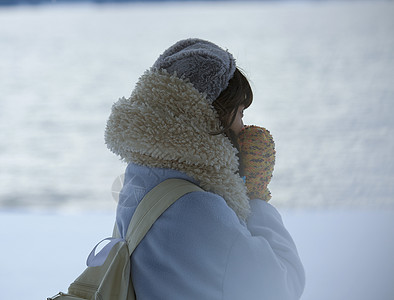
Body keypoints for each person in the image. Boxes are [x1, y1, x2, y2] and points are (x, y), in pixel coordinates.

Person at [104, 38, 305, 299]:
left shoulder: (139, 178)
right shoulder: (198, 208)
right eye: (240, 113)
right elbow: (282, 286)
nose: (243, 127)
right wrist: (255, 195)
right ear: (210, 116)